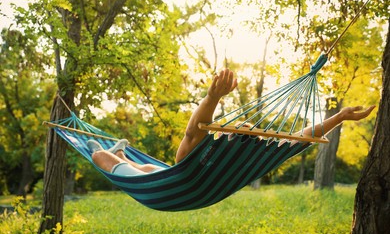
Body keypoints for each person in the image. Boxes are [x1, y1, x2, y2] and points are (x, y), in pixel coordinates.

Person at [87, 69, 376, 176]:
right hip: (170, 178)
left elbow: (192, 133)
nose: (248, 130)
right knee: (149, 167)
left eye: (248, 132)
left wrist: (212, 98)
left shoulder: (225, 153)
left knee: (100, 155)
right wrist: (338, 117)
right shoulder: (251, 155)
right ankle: (123, 153)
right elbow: (300, 136)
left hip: (175, 186)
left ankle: (115, 155)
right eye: (245, 130)